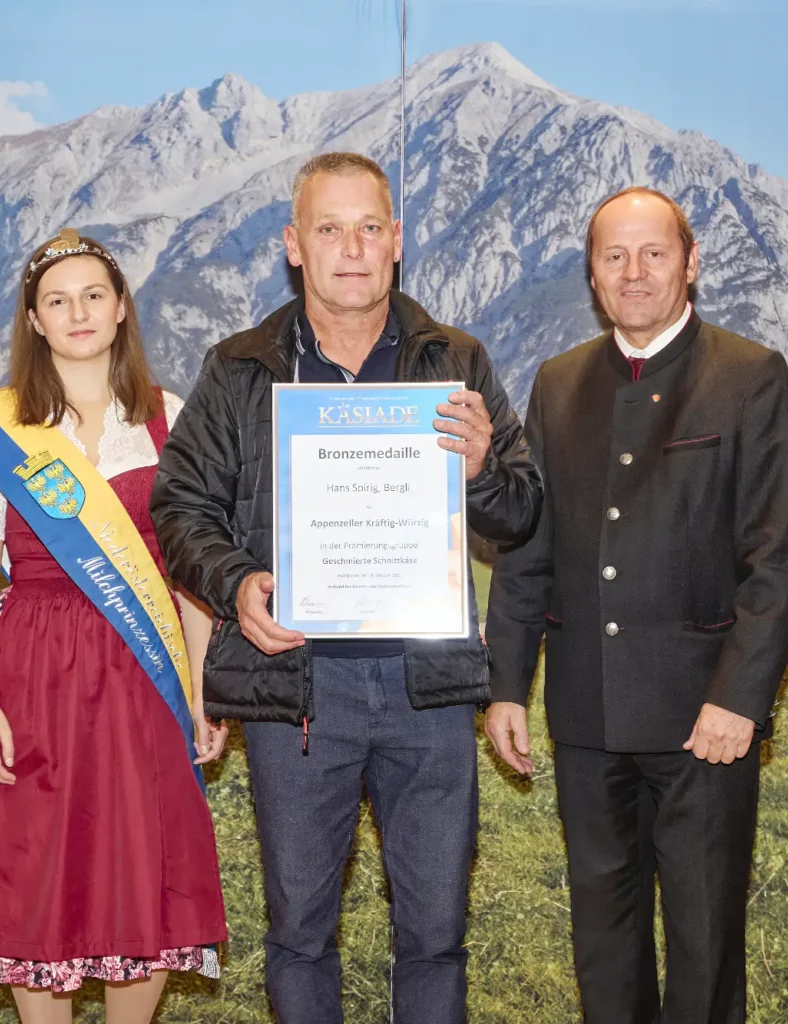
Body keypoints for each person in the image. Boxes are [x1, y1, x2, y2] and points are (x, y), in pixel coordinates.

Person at [150, 152, 542, 1024]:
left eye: (370, 227)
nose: (352, 249)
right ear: (295, 246)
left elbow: (521, 513)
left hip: (428, 690)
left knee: (436, 933)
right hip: (299, 691)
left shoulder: (456, 360)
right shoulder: (240, 369)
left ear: (398, 240)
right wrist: (238, 582)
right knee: (297, 933)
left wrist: (480, 470)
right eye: (329, 229)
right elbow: (178, 507)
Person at [484, 187, 788, 1023]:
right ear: (593, 275)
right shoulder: (558, 384)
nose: (634, 273)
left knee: (704, 947)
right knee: (602, 938)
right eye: (614, 256)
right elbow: (531, 550)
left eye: (654, 253)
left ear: (692, 262)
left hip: (704, 719)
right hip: (587, 713)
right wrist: (505, 685)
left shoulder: (750, 376)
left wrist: (739, 701)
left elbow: (779, 559)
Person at [0, 230, 229, 1024]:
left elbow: (189, 573)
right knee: (32, 865)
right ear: (33, 320)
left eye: (94, 295)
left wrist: (202, 692)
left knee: (144, 860)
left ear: (122, 306)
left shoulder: (171, 418)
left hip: (145, 671)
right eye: (57, 300)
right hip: (31, 669)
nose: (78, 313)